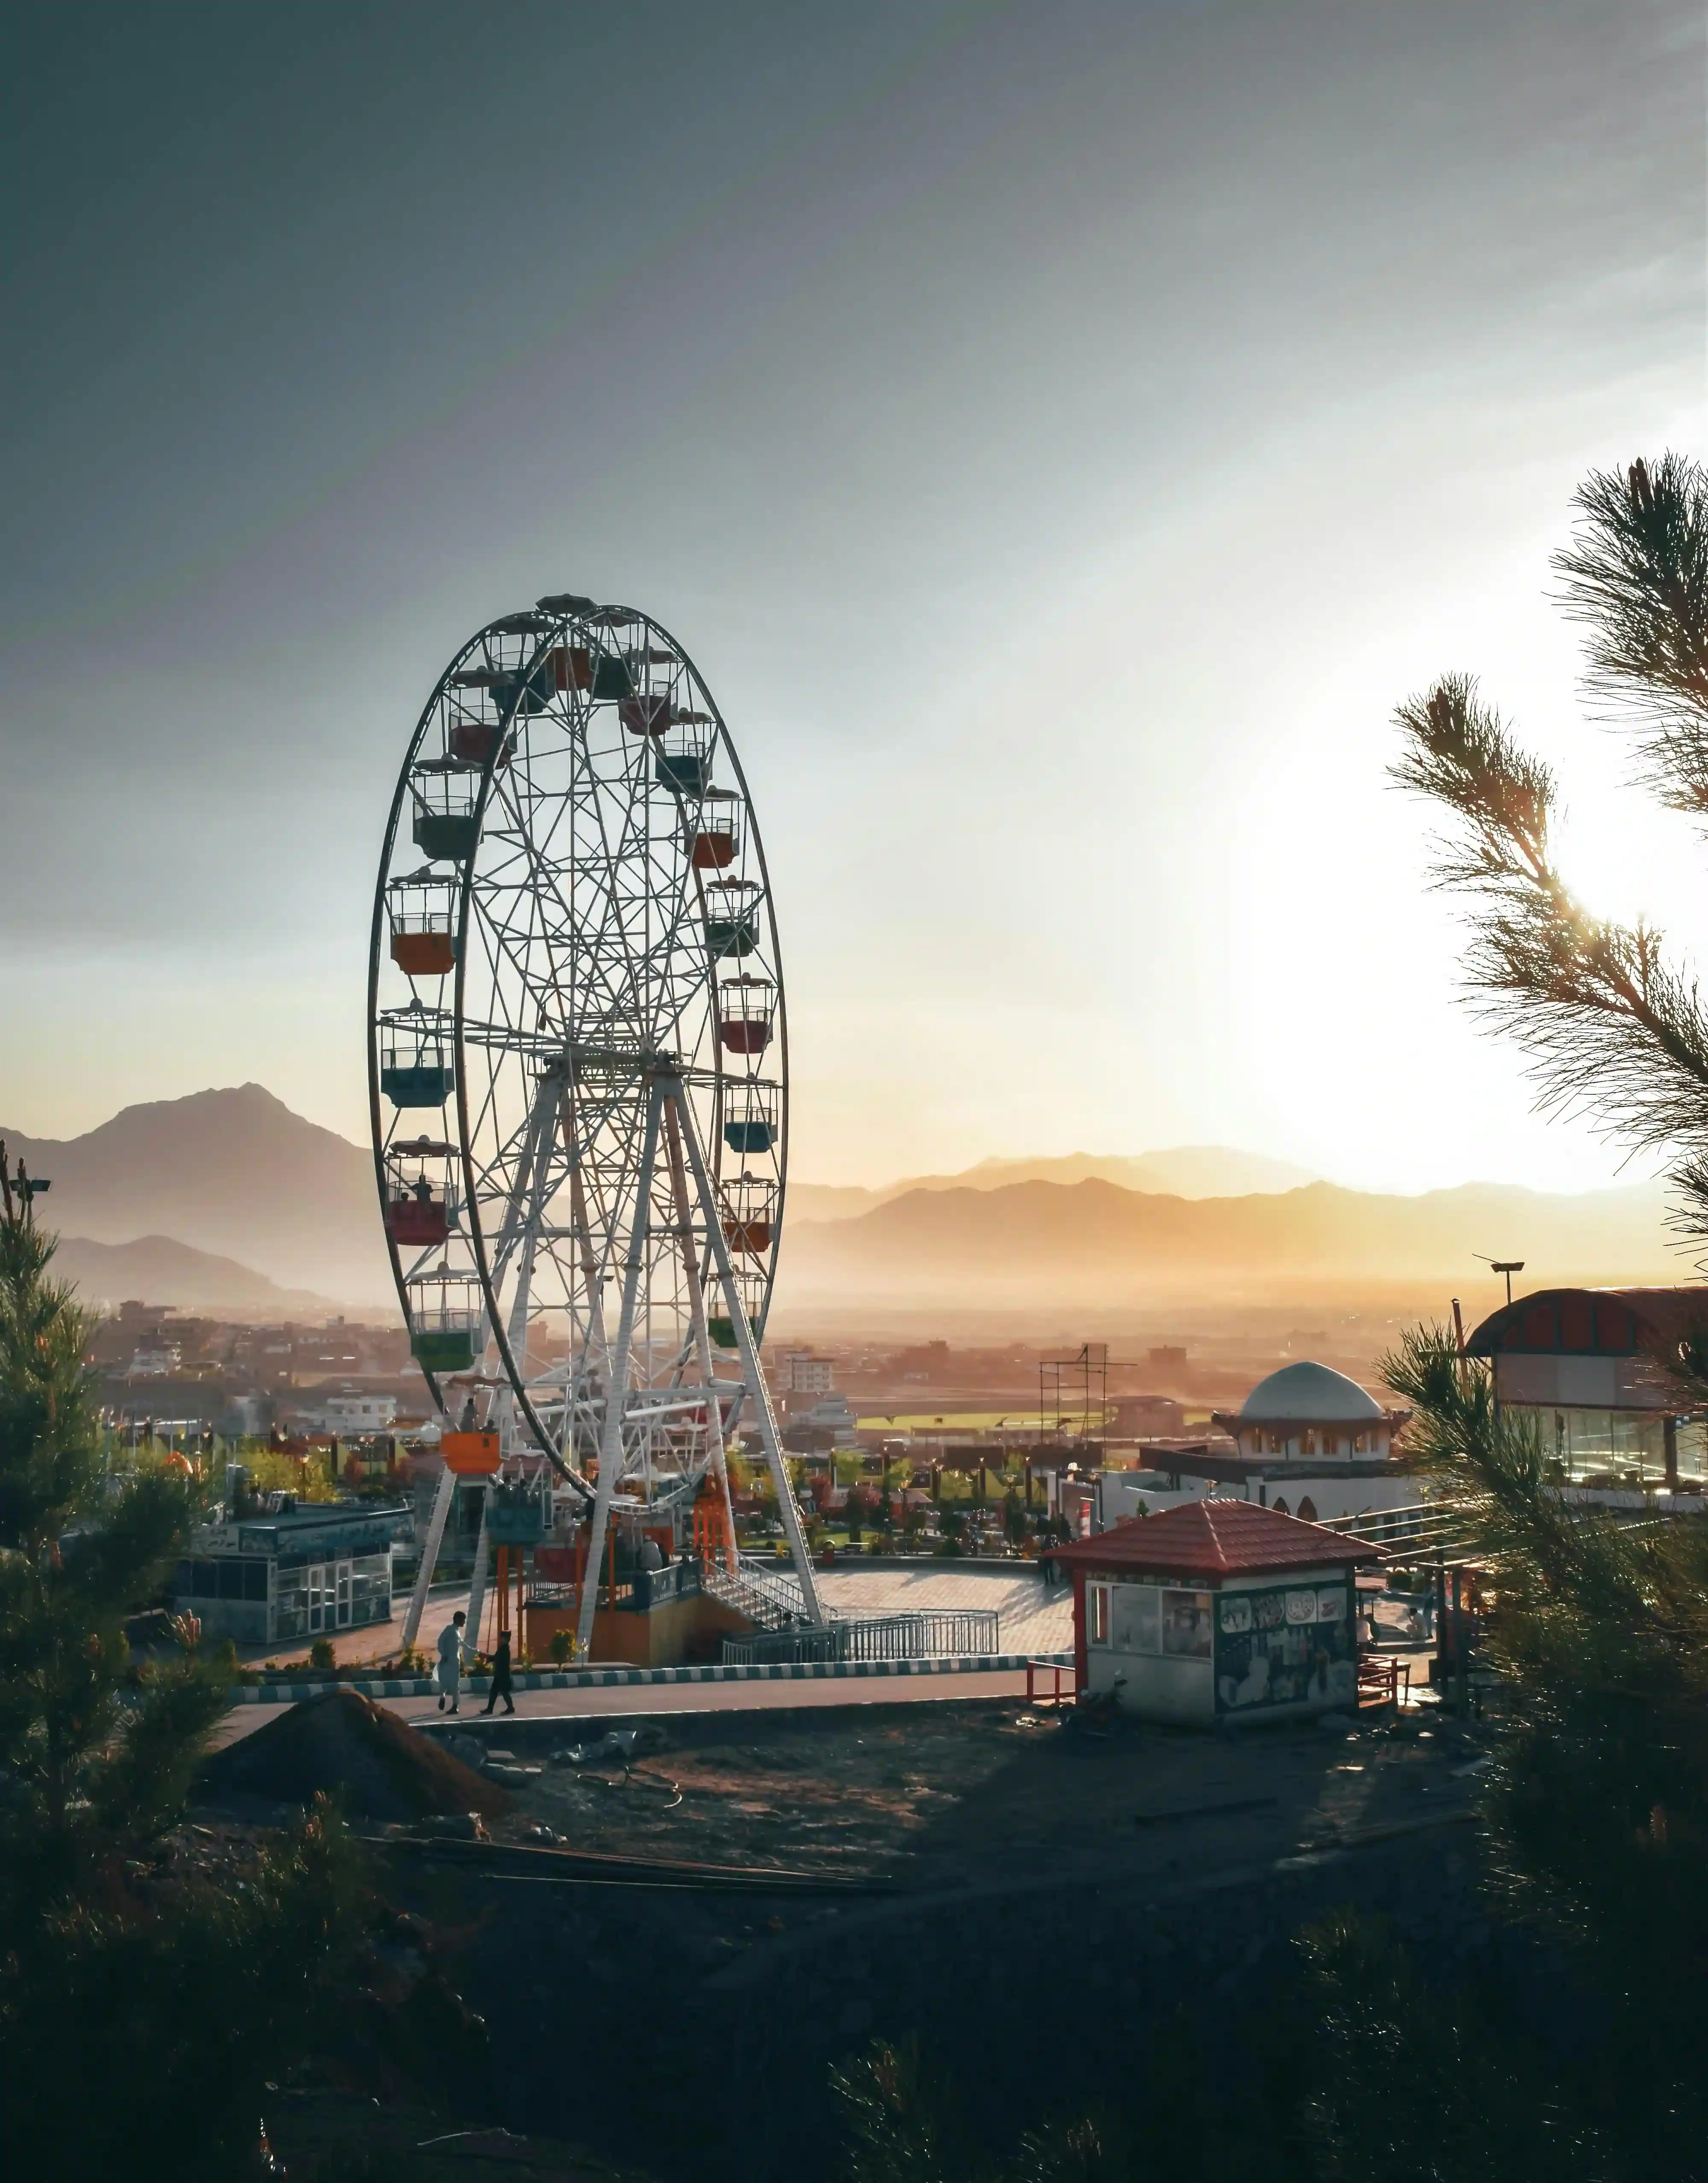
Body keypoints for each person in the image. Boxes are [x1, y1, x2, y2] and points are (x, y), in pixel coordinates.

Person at [436, 1609, 467, 1714]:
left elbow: (464, 1645)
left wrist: (478, 1652)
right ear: (458, 1619)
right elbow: (440, 1641)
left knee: (453, 1684)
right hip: (448, 1661)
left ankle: (454, 1705)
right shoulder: (450, 1630)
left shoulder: (457, 1632)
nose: (464, 1622)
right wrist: (444, 1654)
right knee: (446, 1682)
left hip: (455, 1662)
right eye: (463, 1620)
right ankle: (444, 1698)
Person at [483, 1627, 515, 1716]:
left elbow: (497, 1658)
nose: (500, 1639)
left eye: (501, 1638)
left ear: (505, 1639)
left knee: (505, 1692)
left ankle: (511, 1708)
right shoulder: (503, 1648)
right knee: (494, 1691)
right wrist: (489, 1658)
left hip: (503, 1674)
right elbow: (496, 1658)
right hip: (500, 1674)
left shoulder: (505, 1649)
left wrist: (487, 1657)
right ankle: (490, 1709)